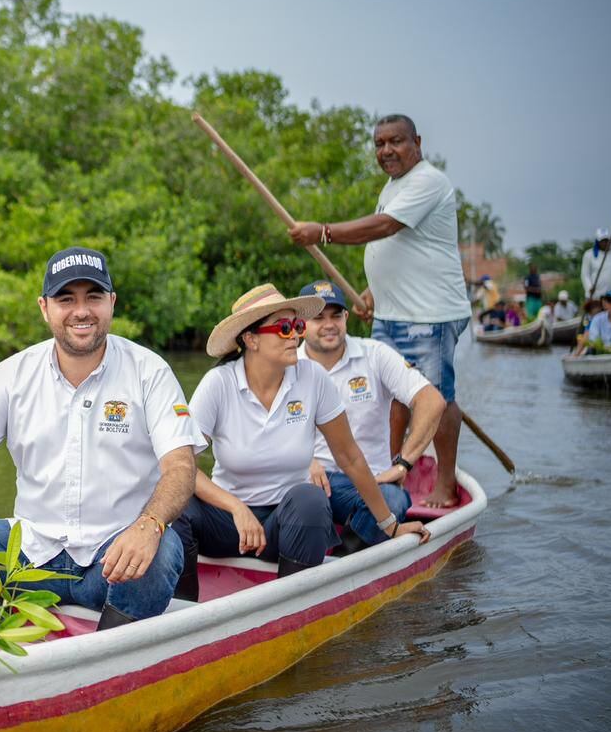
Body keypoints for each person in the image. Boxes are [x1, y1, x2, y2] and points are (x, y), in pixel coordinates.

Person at [0, 246, 203, 630]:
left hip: (110, 560)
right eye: (66, 299)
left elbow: (180, 466)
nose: (81, 310)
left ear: (111, 303)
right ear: (45, 308)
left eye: (93, 297)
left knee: (163, 549)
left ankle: (109, 655)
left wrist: (149, 523)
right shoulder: (13, 373)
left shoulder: (150, 372)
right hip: (28, 557)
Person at [173, 285, 430, 590]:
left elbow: (350, 457)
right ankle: (185, 611)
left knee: (311, 498)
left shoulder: (312, 378)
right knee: (177, 506)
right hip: (230, 524)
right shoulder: (218, 383)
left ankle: (292, 606)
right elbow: (182, 467)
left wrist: (391, 525)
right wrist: (236, 508)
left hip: (287, 522)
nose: (295, 336)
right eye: (283, 328)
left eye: (296, 326)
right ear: (250, 339)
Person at [288, 114, 472, 508]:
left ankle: (445, 482)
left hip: (430, 315)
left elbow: (385, 227)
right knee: (390, 395)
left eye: (396, 142)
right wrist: (373, 292)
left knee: (437, 396)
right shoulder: (393, 186)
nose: (386, 151)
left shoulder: (428, 181)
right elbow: (401, 251)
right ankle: (390, 470)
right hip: (392, 310)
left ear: (417, 142)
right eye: (379, 144)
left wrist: (322, 232)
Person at [297, 280, 445, 548]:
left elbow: (432, 401)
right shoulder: (287, 364)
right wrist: (301, 461)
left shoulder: (374, 355)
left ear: (346, 317)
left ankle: (347, 558)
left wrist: (403, 465)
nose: (329, 324)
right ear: (300, 325)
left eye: (335, 316)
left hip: (369, 482)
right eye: (318, 318)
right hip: (306, 479)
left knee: (393, 501)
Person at [573, 291, 611, 356]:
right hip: (599, 351)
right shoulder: (597, 319)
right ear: (605, 303)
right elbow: (593, 339)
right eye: (610, 301)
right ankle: (576, 355)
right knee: (586, 337)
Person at [581, 230, 611, 302]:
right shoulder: (589, 254)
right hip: (595, 295)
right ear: (598, 242)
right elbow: (585, 274)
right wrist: (589, 287)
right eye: (603, 241)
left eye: (607, 240)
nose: (605, 243)